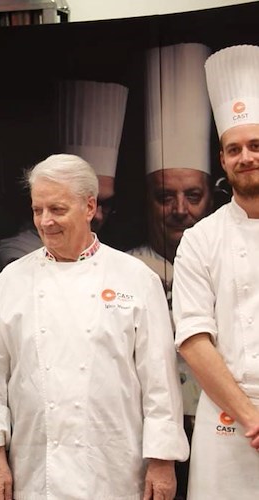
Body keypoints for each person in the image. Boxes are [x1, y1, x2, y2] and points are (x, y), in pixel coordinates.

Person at [0, 153, 189, 499]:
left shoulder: (136, 278)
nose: (45, 221)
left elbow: (160, 383)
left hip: (116, 465)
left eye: (57, 210)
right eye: (37, 209)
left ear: (89, 207)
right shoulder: (9, 281)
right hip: (35, 469)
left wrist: (163, 461)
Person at [172, 44, 259, 499]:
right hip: (227, 424)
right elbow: (192, 338)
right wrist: (251, 415)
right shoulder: (201, 238)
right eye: (234, 149)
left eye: (256, 145)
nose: (246, 156)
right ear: (222, 161)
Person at [127, 45, 214, 496]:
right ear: (147, 200)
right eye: (166, 197)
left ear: (210, 196)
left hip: (223, 426)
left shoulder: (224, 257)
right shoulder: (127, 270)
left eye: (193, 195)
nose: (181, 210)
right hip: (149, 435)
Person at [0, 80, 128, 285]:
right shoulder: (12, 263)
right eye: (43, 209)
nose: (99, 215)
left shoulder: (132, 273)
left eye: (105, 203)